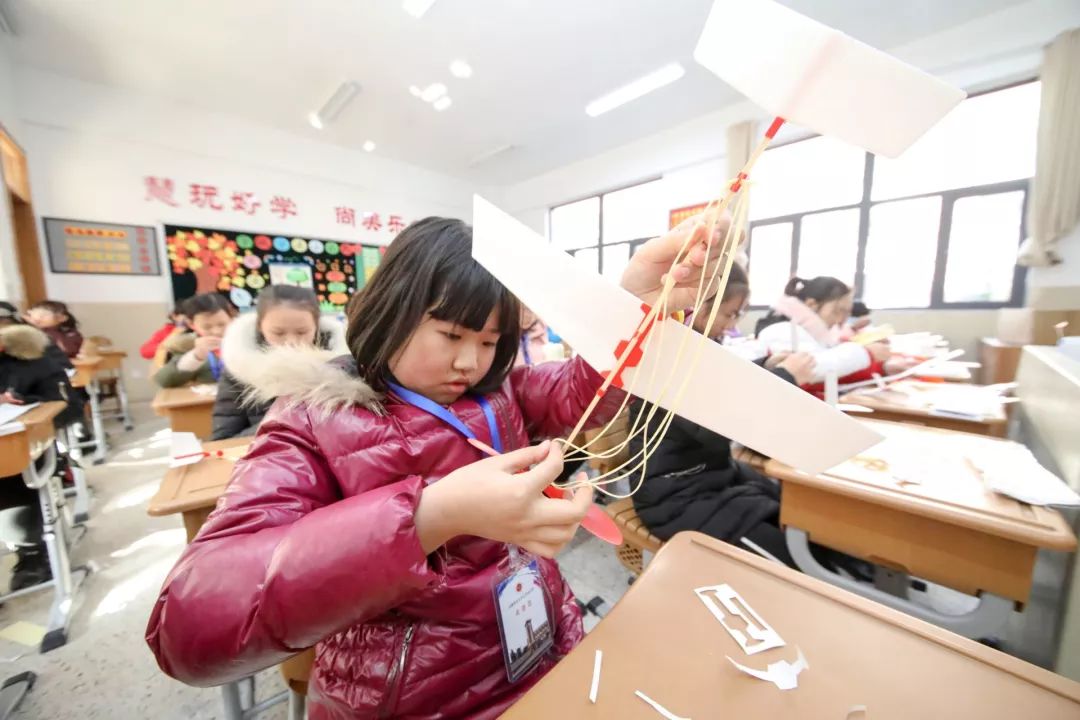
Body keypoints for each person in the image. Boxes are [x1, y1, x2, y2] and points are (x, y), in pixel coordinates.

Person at [146, 213, 726, 718]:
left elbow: (584, 392)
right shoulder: (312, 419)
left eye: (490, 340)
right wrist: (431, 515)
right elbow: (190, 627)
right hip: (414, 696)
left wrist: (626, 308)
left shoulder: (499, 392)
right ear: (390, 310)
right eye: (449, 334)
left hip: (542, 648)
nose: (470, 362)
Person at [627, 263, 820, 565]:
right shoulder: (666, 355)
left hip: (710, 476)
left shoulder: (696, 346)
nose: (731, 326)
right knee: (794, 556)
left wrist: (766, 365)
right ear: (696, 305)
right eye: (728, 314)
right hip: (675, 496)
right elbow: (717, 419)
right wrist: (783, 376)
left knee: (800, 515)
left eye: (736, 316)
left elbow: (721, 389)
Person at [0, 319, 82, 589]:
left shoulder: (32, 358)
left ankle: (32, 553)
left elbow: (68, 406)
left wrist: (28, 404)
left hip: (22, 459)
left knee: (14, 492)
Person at [212, 286, 348, 440]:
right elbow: (223, 438)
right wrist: (287, 421)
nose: (291, 342)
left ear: (316, 326)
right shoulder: (238, 369)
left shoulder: (343, 367)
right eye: (278, 333)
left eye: (302, 332)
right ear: (260, 326)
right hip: (265, 457)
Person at [754, 276, 908, 392]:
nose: (842, 320)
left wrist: (880, 367)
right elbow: (815, 369)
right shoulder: (781, 329)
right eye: (838, 311)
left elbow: (836, 371)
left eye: (847, 313)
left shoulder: (814, 333)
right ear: (811, 304)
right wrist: (867, 353)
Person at [153, 293, 234, 387]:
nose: (216, 332)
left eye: (222, 324)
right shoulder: (186, 346)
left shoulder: (245, 340)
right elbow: (164, 381)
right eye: (207, 327)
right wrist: (196, 356)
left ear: (231, 317)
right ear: (191, 324)